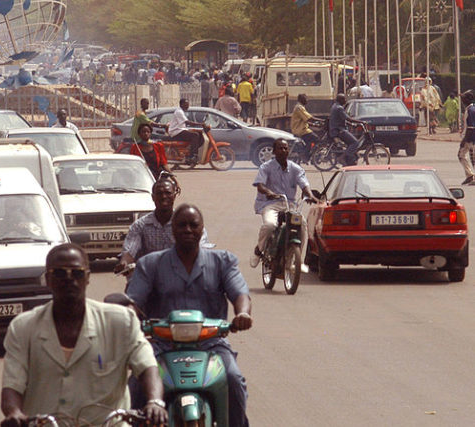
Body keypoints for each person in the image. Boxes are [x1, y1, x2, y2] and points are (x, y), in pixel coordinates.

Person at [0, 244, 167, 427]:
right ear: (48, 279)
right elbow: (12, 385)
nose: (69, 279)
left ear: (87, 277)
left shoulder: (121, 322)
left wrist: (155, 402)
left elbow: (147, 367)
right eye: (60, 273)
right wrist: (14, 412)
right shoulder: (24, 328)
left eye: (77, 273)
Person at [126, 204, 252, 427]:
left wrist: (242, 313)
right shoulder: (150, 264)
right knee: (136, 386)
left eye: (193, 225)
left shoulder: (223, 261)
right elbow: (133, 301)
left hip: (211, 343)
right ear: (172, 230)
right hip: (160, 344)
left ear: (202, 229)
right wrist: (129, 316)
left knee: (234, 380)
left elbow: (240, 293)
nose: (187, 230)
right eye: (181, 225)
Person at [249, 139, 318, 268]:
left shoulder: (296, 168)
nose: (283, 151)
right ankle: (258, 250)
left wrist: (311, 195)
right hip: (270, 204)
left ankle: (299, 261)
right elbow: (260, 185)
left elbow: (304, 185)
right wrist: (269, 192)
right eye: (280, 148)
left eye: (286, 148)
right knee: (270, 225)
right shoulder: (266, 167)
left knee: (302, 225)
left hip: (289, 205)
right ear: (274, 151)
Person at [166, 99, 211, 164]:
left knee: (199, 134)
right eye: (186, 105)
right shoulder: (179, 112)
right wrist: (200, 124)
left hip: (180, 129)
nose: (187, 106)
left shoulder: (181, 111)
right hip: (176, 131)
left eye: (188, 105)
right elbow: (187, 122)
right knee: (195, 135)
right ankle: (192, 155)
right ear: (181, 105)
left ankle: (190, 151)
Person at [328, 94, 367, 166]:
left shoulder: (334, 106)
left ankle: (350, 159)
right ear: (341, 100)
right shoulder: (339, 108)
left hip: (335, 129)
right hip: (339, 130)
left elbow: (341, 119)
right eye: (344, 99)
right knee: (355, 143)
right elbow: (347, 118)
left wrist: (351, 124)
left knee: (350, 142)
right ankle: (343, 157)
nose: (345, 101)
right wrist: (361, 122)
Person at [459, 92, 475, 185]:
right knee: (461, 155)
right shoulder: (469, 109)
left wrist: (464, 140)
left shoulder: (471, 110)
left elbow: (471, 128)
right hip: (469, 138)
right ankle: (469, 175)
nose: (462, 101)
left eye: (464, 99)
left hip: (472, 138)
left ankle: (471, 176)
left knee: (472, 157)